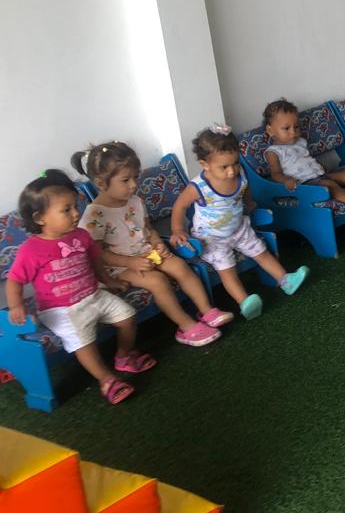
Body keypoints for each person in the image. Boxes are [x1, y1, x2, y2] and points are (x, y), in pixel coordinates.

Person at [5, 170, 151, 404]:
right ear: (40, 218)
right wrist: (16, 305)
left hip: (94, 295)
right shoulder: (31, 250)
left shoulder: (81, 235)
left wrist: (109, 280)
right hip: (61, 310)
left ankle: (124, 356)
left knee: (128, 317)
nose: (76, 213)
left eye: (75, 206)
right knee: (83, 343)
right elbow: (15, 280)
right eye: (66, 210)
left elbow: (95, 261)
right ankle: (107, 381)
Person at [75, 141, 229, 345]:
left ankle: (207, 311)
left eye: (135, 177)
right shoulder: (95, 215)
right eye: (125, 180)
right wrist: (130, 263)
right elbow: (97, 254)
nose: (133, 185)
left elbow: (148, 229)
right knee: (157, 281)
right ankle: (186, 327)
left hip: (147, 253)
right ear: (101, 183)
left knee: (179, 266)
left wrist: (157, 243)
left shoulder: (135, 201)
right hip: (118, 268)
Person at [170, 125, 308, 319]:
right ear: (204, 164)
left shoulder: (240, 172)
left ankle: (285, 280)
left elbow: (245, 188)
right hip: (211, 238)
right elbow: (180, 206)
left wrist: (249, 203)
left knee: (262, 252)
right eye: (224, 167)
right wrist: (177, 230)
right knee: (227, 271)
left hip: (239, 228)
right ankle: (245, 302)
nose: (231, 171)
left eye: (235, 163)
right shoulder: (199, 187)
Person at [261, 99, 345, 217]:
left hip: (321, 175)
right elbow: (275, 174)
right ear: (270, 130)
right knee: (330, 186)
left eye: (296, 127)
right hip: (305, 184)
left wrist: (322, 167)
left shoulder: (300, 142)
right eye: (286, 128)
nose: (293, 132)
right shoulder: (274, 152)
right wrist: (286, 181)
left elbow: (307, 160)